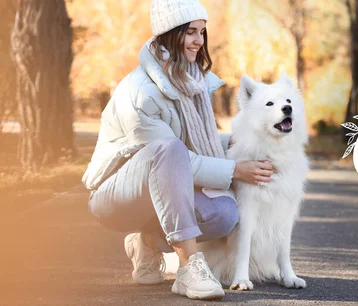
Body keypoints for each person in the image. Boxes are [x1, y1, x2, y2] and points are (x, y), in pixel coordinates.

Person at [81, 0, 274, 300]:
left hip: (161, 182)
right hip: (115, 194)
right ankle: (188, 268)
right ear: (169, 34)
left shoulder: (191, 81)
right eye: (190, 32)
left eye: (202, 32)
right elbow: (173, 155)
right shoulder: (141, 92)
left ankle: (146, 241)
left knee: (224, 214)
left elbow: (193, 142)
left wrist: (232, 145)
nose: (199, 41)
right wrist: (235, 170)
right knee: (168, 150)